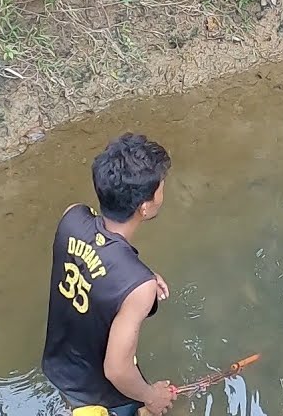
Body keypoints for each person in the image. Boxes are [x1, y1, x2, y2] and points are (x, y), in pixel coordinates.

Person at [42, 133, 180, 416]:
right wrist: (151, 396)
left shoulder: (72, 217)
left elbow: (93, 255)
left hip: (59, 364)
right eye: (160, 188)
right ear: (144, 205)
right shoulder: (138, 288)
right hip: (100, 393)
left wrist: (141, 274)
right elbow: (117, 370)